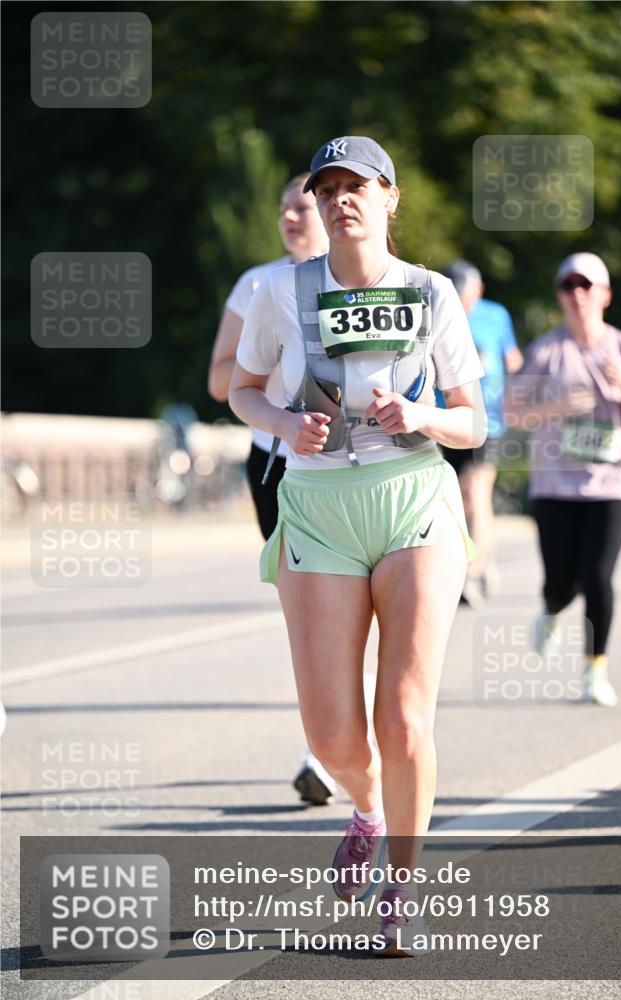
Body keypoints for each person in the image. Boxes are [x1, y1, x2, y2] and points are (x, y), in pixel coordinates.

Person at [229, 135, 486, 954]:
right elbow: (238, 389)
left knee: (404, 717)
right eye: (328, 185)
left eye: (358, 185)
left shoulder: (432, 293)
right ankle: (366, 808)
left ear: (389, 199)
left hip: (412, 498)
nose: (342, 198)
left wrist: (422, 418)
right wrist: (280, 423)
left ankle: (402, 892)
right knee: (334, 731)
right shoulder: (282, 292)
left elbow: (472, 419)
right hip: (316, 506)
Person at [208, 174, 336, 806]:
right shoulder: (256, 284)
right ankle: (325, 748)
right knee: (310, 614)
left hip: (350, 467)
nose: (291, 215)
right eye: (284, 206)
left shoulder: (362, 280)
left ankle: (333, 752)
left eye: (302, 205)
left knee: (351, 611)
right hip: (276, 467)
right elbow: (218, 382)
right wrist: (277, 360)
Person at [506, 252, 621, 707]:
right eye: (568, 286)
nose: (577, 294)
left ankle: (595, 670)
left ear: (605, 295)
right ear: (559, 295)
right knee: (560, 581)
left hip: (614, 482)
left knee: (597, 573)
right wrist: (555, 408)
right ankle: (552, 608)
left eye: (586, 286)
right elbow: (513, 411)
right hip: (556, 484)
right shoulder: (546, 351)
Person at [442, 261, 523, 606]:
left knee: (477, 491)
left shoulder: (496, 315)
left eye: (467, 297)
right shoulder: (439, 312)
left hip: (489, 421)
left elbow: (514, 360)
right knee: (455, 497)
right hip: (446, 418)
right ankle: (483, 551)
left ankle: (470, 575)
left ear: (478, 291)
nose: (463, 305)